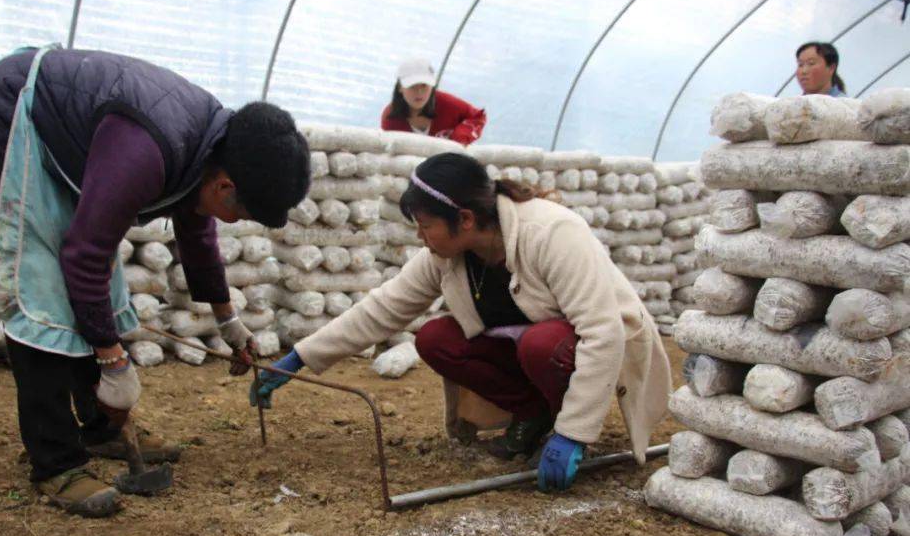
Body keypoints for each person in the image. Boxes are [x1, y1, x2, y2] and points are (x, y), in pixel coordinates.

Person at [0, 45, 310, 517]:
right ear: (226, 186)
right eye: (240, 213)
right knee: (42, 283)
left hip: (78, 130)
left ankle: (100, 427)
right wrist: (114, 362)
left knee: (93, 281)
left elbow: (197, 232)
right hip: (14, 114)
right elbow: (84, 258)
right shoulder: (146, 149)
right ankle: (56, 462)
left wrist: (228, 321)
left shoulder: (212, 147)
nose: (230, 222)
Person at [250, 153, 671, 491]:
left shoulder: (551, 233)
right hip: (529, 349)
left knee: (541, 344)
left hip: (581, 349)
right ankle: (533, 415)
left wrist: (575, 432)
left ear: (465, 219)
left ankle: (561, 428)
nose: (421, 236)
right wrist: (299, 357)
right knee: (435, 338)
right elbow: (383, 308)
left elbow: (603, 331)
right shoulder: (446, 255)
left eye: (426, 225)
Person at [380, 58, 486, 144]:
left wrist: (460, 138)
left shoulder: (447, 104)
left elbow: (478, 116)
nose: (419, 92)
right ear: (400, 88)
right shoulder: (390, 118)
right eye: (412, 86)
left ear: (432, 86)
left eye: (424, 86)